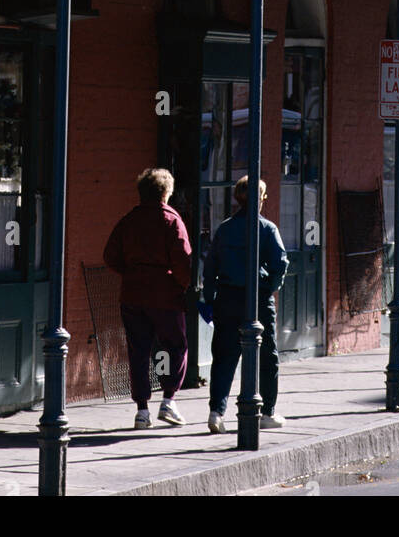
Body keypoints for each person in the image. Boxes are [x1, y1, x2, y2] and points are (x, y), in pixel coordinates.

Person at [103, 167, 192, 429]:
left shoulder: (128, 220)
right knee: (173, 346)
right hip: (164, 294)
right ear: (166, 192)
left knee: (139, 351)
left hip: (132, 294)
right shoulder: (172, 220)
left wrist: (130, 272)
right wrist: (180, 284)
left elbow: (110, 255)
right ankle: (168, 400)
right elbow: (183, 260)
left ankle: (142, 410)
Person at [202, 175, 288, 434]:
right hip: (257, 298)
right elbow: (280, 263)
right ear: (259, 199)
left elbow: (210, 267)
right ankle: (267, 411)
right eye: (263, 197)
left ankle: (216, 411)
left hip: (227, 297)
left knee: (224, 356)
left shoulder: (225, 228)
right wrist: (271, 286)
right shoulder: (267, 228)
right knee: (267, 355)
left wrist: (210, 298)